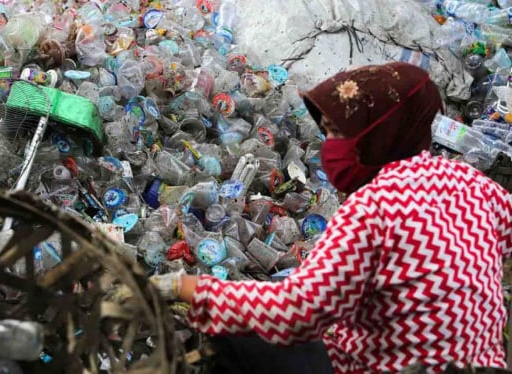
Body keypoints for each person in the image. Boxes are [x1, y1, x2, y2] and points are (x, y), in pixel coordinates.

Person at [151, 62, 512, 373]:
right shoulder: (474, 184)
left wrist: (187, 288)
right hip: (480, 365)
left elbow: (298, 311)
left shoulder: (374, 207)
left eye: (339, 132)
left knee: (233, 329)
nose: (330, 147)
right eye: (326, 132)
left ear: (379, 131)